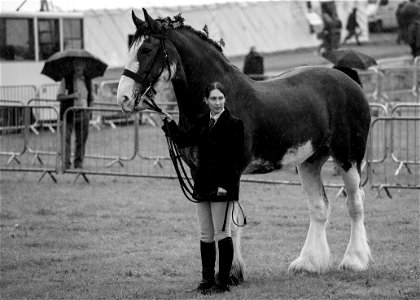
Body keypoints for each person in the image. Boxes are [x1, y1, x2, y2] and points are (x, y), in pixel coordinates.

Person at [160, 82, 244, 294]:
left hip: (222, 188)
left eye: (220, 98)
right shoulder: (202, 121)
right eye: (213, 99)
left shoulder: (234, 124)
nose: (217, 102)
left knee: (222, 233)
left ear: (225, 99)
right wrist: (168, 122)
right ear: (206, 101)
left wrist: (227, 187)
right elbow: (183, 139)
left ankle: (222, 282)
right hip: (203, 184)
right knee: (205, 234)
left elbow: (236, 161)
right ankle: (206, 280)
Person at [57, 60, 93, 169]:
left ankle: (78, 163)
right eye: (76, 65)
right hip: (68, 113)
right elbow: (58, 97)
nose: (78, 67)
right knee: (65, 140)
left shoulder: (88, 80)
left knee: (81, 140)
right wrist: (72, 96)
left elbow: (91, 98)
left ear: (84, 66)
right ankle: (66, 164)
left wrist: (90, 112)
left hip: (83, 113)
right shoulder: (66, 79)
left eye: (80, 64)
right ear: (73, 66)